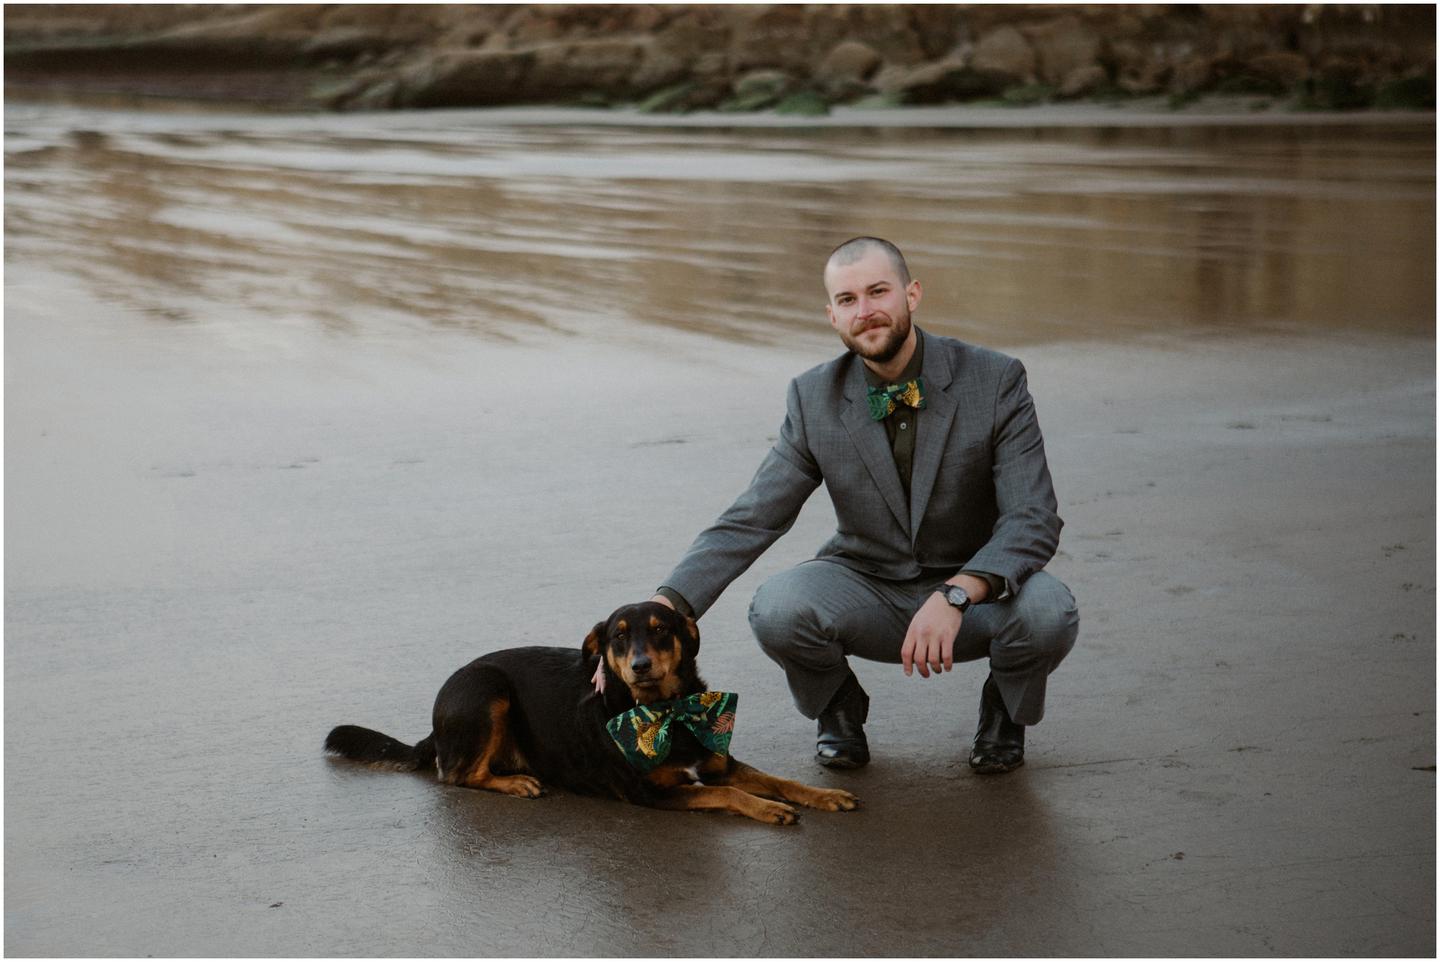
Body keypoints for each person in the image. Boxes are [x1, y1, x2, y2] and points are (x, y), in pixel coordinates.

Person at [649, 236, 1078, 774]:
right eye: (848, 300)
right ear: (832, 315)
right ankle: (839, 711)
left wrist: (959, 593)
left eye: (878, 292)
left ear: (912, 294)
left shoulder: (995, 380)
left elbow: (1032, 517)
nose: (866, 311)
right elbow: (754, 515)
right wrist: (665, 607)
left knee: (1048, 611)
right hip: (867, 586)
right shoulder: (812, 398)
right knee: (777, 608)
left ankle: (1003, 713)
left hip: (979, 593)